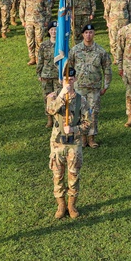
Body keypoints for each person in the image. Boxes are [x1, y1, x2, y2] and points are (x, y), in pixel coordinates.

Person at [46, 68, 91, 219]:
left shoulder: (81, 100)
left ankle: (72, 204)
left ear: (75, 79)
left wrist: (74, 128)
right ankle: (61, 205)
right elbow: (51, 110)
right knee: (57, 175)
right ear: (62, 80)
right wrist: (61, 96)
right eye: (66, 79)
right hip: (58, 143)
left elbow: (88, 123)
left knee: (73, 174)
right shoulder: (54, 97)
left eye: (71, 79)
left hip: (74, 143)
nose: (69, 82)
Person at [71, 23, 111, 148]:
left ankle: (91, 138)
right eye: (86, 33)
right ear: (83, 34)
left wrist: (106, 85)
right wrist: (69, 84)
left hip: (94, 88)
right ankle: (82, 138)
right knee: (80, 112)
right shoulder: (75, 50)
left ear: (94, 34)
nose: (88, 35)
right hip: (79, 87)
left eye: (91, 32)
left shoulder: (100, 51)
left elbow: (107, 68)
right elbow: (69, 67)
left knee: (93, 112)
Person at [20, 0, 48, 65]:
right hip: (28, 20)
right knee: (30, 40)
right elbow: (22, 7)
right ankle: (32, 58)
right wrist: (22, 20)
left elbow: (48, 8)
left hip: (40, 20)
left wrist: (47, 19)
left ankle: (38, 57)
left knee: (39, 40)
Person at [36, 22, 61, 109]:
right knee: (47, 97)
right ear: (49, 31)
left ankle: (57, 120)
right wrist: (39, 73)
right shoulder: (44, 45)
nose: (54, 32)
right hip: (46, 75)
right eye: (52, 30)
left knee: (59, 97)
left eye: (56, 30)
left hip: (58, 75)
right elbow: (40, 60)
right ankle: (49, 118)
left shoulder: (62, 45)